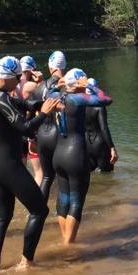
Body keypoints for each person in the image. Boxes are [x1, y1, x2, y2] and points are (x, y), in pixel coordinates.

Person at [0, 55, 61, 271]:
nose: (19, 82)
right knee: (39, 211)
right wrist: (43, 115)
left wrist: (44, 103)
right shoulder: (1, 99)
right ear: (9, 77)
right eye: (17, 78)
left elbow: (23, 103)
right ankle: (26, 261)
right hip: (9, 166)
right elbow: (25, 128)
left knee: (3, 217)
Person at [52, 69, 113, 244]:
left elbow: (50, 90)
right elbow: (106, 100)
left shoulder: (57, 96)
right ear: (78, 83)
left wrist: (60, 84)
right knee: (76, 201)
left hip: (58, 154)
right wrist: (90, 87)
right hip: (75, 154)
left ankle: (65, 239)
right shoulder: (78, 99)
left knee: (63, 198)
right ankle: (68, 245)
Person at [31, 50, 67, 198]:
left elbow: (33, 113)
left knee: (47, 177)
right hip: (59, 136)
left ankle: (38, 212)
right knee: (63, 178)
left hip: (42, 136)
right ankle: (62, 213)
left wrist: (31, 139)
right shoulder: (68, 85)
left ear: (50, 66)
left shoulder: (39, 88)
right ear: (64, 65)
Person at [85, 78, 118, 173]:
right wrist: (112, 148)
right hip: (99, 143)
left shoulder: (80, 104)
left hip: (87, 142)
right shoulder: (99, 106)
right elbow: (103, 128)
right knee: (107, 175)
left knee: (90, 174)